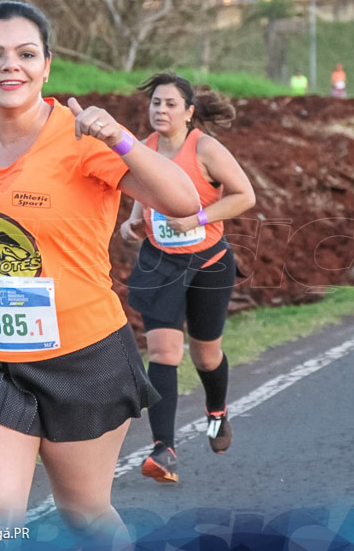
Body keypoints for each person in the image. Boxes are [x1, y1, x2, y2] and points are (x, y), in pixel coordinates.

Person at [0, 0, 200, 544]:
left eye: (25, 54)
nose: (9, 66)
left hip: (83, 353)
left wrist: (118, 137)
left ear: (47, 66)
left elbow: (183, 201)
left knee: (86, 514)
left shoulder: (80, 136)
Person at [119, 73, 256, 484]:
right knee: (162, 352)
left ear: (189, 112)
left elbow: (244, 196)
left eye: (170, 104)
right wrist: (134, 222)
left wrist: (196, 218)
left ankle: (217, 413)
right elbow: (144, 197)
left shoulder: (206, 148)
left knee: (206, 355)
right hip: (161, 263)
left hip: (209, 263)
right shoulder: (143, 149)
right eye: (155, 103)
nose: (160, 110)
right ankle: (164, 450)